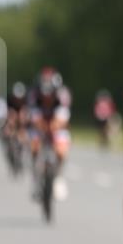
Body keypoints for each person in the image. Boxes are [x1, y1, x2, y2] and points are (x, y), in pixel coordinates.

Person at [27, 67, 72, 197]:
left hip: (56, 123)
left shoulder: (63, 95)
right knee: (34, 147)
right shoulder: (34, 94)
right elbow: (32, 114)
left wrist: (56, 125)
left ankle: (58, 177)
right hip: (40, 123)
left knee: (62, 151)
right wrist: (39, 124)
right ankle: (36, 179)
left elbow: (64, 117)